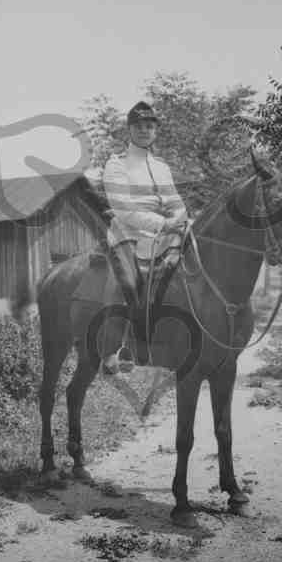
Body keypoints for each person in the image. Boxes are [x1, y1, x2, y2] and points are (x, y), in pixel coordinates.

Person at [102, 101, 189, 373]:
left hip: (164, 233)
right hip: (128, 233)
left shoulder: (161, 167)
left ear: (155, 131)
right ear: (129, 130)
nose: (144, 130)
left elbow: (176, 202)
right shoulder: (116, 164)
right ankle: (120, 346)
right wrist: (162, 223)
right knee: (130, 282)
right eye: (139, 126)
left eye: (150, 126)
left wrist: (179, 219)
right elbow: (123, 209)